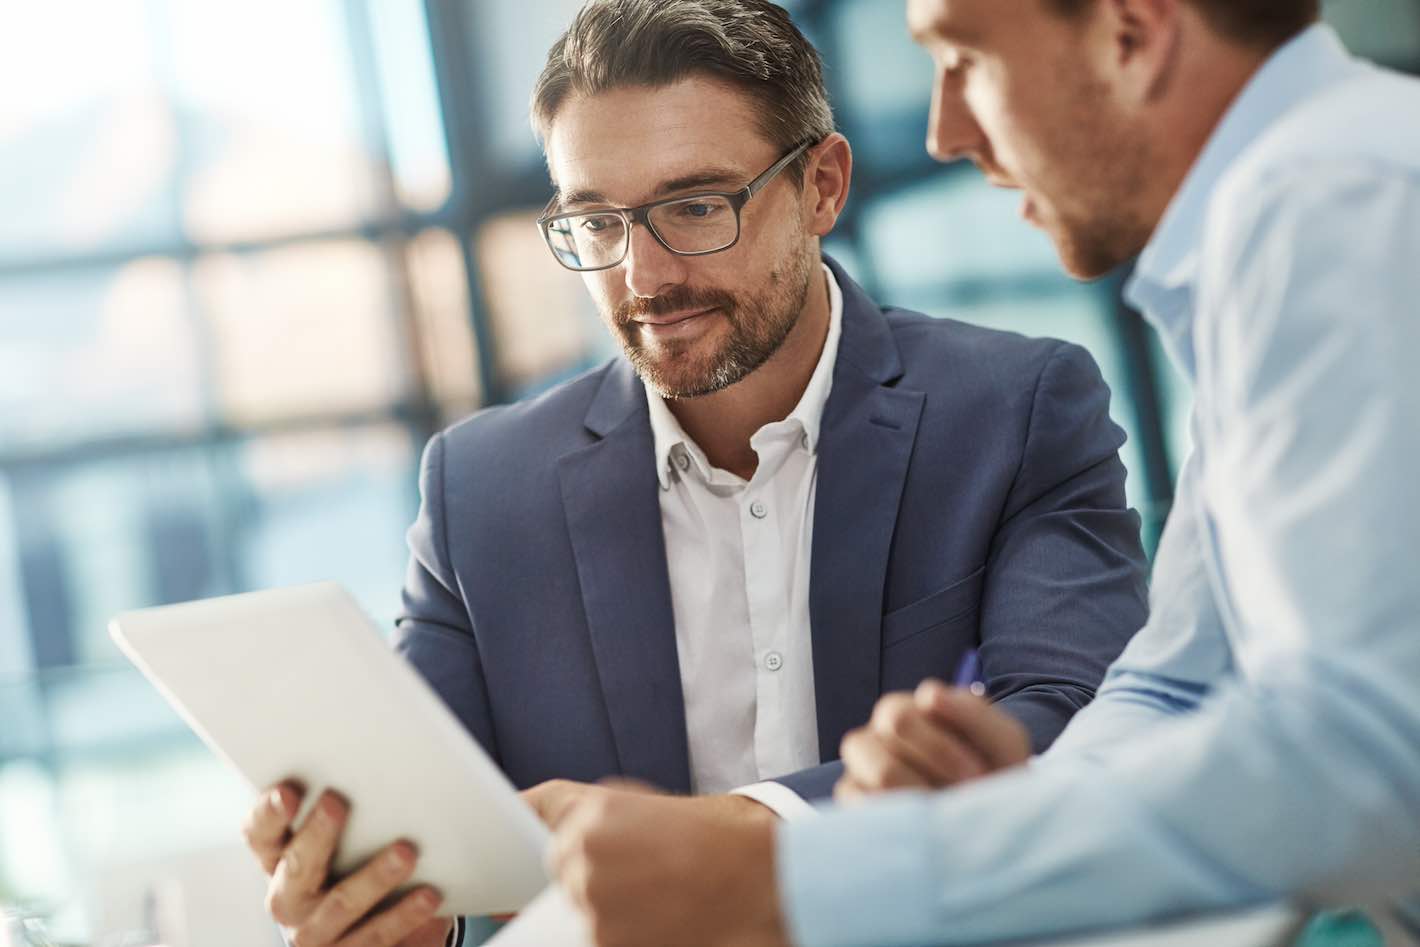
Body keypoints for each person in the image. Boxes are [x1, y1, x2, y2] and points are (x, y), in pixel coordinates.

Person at [237, 1, 1155, 944]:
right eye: (596, 220)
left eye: (693, 207)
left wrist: (739, 832)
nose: (643, 276)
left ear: (822, 187)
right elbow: (431, 829)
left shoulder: (1015, 409)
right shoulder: (479, 491)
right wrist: (388, 907)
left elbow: (1080, 721)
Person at [539, 0, 1420, 944]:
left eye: (965, 57)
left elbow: (1368, 760)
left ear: (1133, 30)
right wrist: (1005, 815)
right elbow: (1177, 685)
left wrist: (798, 875)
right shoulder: (1282, 223)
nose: (946, 131)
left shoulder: (1332, 198)